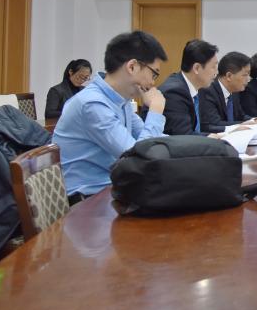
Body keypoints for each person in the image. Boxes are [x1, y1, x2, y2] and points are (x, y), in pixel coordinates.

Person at [52, 31, 167, 203]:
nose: (153, 83)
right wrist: (156, 110)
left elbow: (149, 143)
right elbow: (138, 159)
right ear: (132, 67)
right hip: (86, 202)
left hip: (111, 191)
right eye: (154, 74)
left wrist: (195, 146)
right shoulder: (92, 104)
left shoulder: (121, 101)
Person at [157, 39, 219, 135]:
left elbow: (204, 125)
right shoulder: (174, 93)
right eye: (213, 67)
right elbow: (183, 135)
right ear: (197, 68)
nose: (216, 72)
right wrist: (213, 138)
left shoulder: (198, 88)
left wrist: (226, 133)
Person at [198, 51, 257, 133]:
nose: (248, 79)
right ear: (229, 76)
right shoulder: (208, 90)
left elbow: (241, 116)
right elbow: (214, 124)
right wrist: (245, 124)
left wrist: (255, 120)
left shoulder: (234, 91)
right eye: (245, 75)